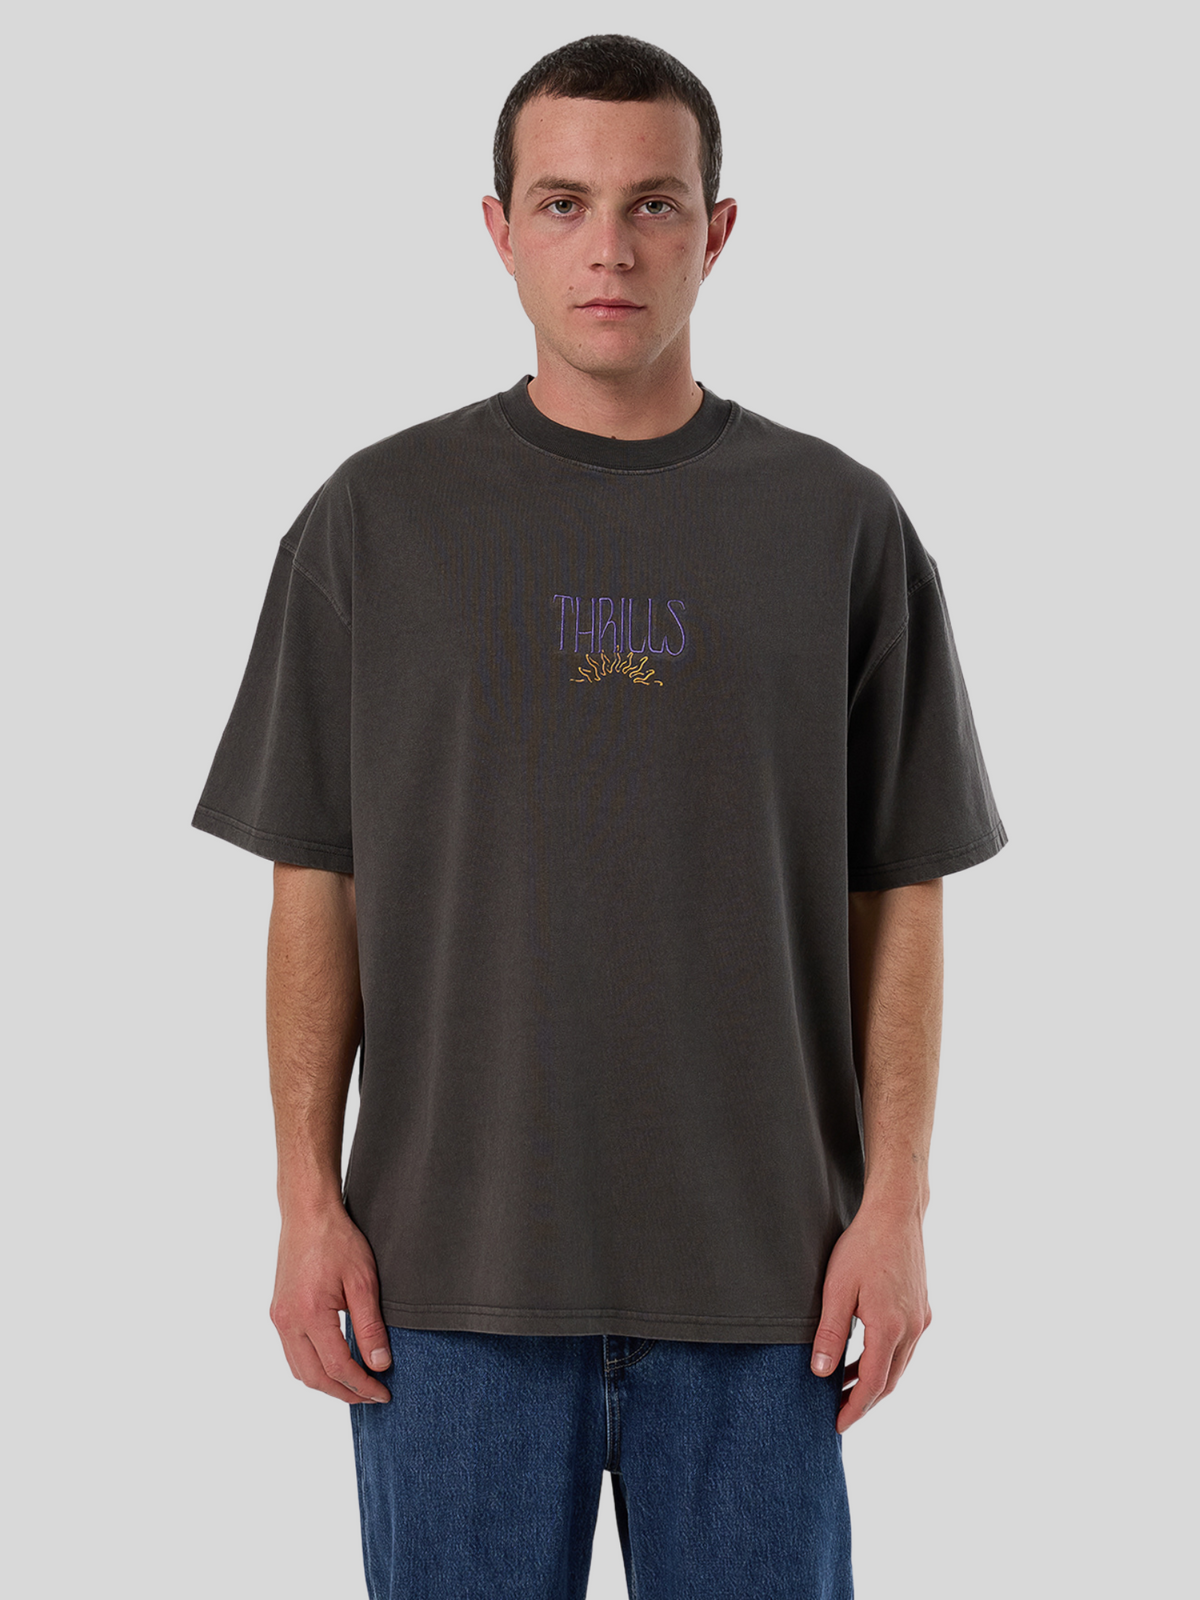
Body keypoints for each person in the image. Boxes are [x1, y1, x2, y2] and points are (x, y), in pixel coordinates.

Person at [192, 32, 1007, 1600]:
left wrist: (898, 1209)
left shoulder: (843, 526)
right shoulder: (373, 521)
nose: (611, 248)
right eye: (564, 203)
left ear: (718, 229)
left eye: (654, 203)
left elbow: (901, 886)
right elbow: (318, 883)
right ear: (499, 229)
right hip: (446, 1290)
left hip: (770, 1288)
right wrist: (305, 1202)